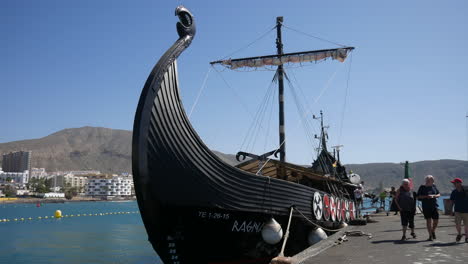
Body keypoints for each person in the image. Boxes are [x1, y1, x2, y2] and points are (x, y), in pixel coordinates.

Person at [417, 175, 441, 241]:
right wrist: (426, 196)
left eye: (429, 180)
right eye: (427, 180)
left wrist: (434, 196)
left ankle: (433, 231)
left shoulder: (434, 186)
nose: (428, 181)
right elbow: (418, 196)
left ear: (432, 181)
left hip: (434, 206)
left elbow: (439, 194)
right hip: (426, 206)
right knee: (428, 221)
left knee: (436, 221)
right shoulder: (422, 187)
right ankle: (430, 236)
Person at [449, 178, 468, 243]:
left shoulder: (466, 190)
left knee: (466, 225)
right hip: (457, 211)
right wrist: (451, 210)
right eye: (454, 183)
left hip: (466, 211)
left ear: (459, 183)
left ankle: (467, 237)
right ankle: (459, 234)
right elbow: (451, 201)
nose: (454, 184)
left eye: (455, 183)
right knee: (457, 225)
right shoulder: (454, 192)